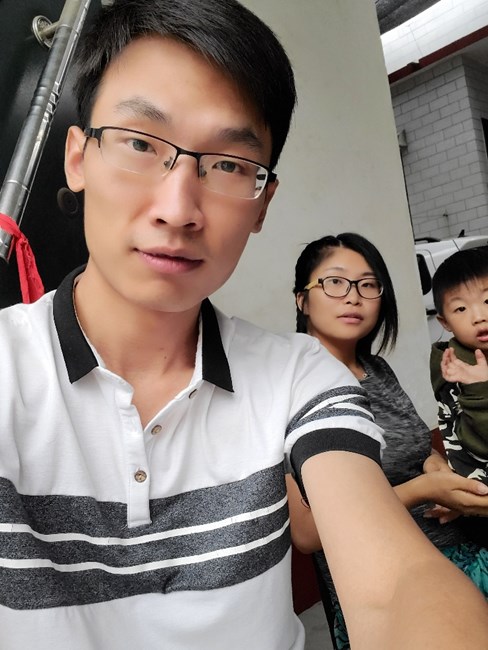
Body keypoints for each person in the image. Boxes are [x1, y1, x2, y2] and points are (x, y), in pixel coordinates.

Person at [0, 2, 487, 648]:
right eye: (140, 143)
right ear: (77, 158)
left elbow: (397, 585)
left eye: (229, 164)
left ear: (262, 205)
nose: (178, 208)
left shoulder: (300, 376)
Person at [288, 233, 488, 649]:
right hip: (385, 591)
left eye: (368, 284)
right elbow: (307, 532)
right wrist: (423, 490)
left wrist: (437, 468)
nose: (353, 296)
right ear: (302, 300)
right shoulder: (288, 387)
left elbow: (417, 445)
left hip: (459, 556)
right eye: (335, 282)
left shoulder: (376, 369)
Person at [431, 247, 488, 485]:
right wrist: (478, 389)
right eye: (461, 308)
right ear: (445, 322)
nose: (479, 316)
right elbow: (479, 446)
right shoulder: (455, 370)